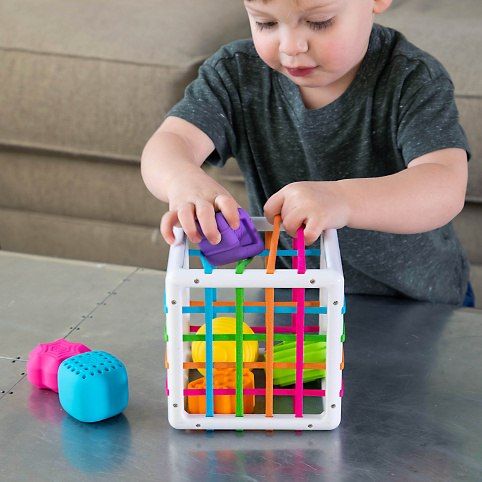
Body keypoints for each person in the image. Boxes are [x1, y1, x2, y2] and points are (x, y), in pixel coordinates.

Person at [141, 0, 474, 306]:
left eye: (319, 22)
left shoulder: (412, 78)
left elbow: (444, 184)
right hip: (298, 301)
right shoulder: (234, 75)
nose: (290, 46)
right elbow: (172, 140)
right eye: (266, 23)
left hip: (417, 303)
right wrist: (182, 181)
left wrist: (343, 200)